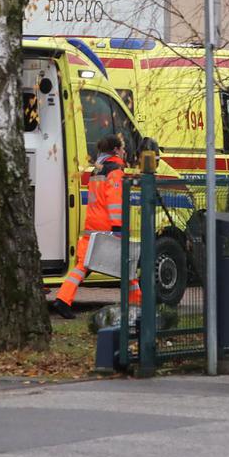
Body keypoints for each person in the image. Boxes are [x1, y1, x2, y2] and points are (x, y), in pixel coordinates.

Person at [52, 133, 142, 319]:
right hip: (109, 227)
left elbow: (96, 199)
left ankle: (62, 299)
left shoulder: (96, 171)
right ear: (116, 150)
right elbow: (115, 201)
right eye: (122, 148)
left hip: (92, 225)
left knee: (82, 266)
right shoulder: (115, 171)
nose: (124, 151)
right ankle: (138, 306)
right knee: (127, 266)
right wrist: (118, 227)